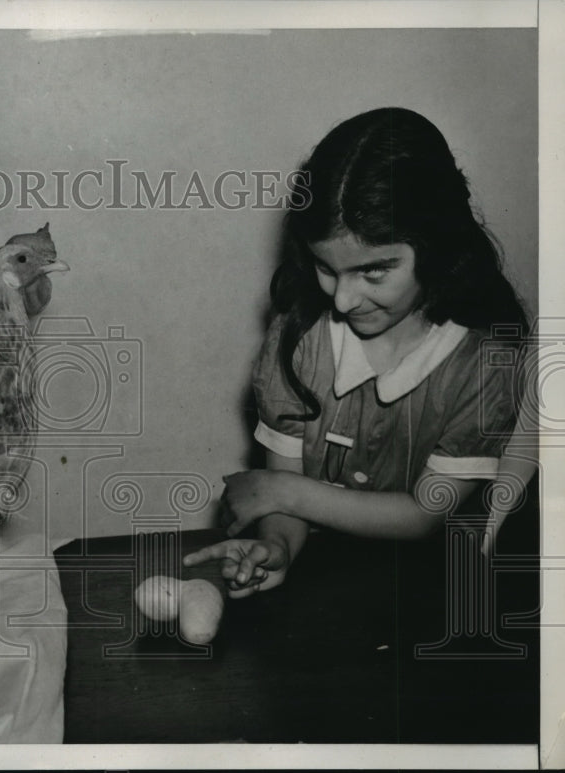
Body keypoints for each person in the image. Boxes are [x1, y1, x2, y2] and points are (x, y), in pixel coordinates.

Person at [184, 107, 529, 597]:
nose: (342, 300)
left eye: (373, 271)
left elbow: (425, 515)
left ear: (438, 247)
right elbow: (284, 502)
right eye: (327, 267)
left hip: (439, 594)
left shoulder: (483, 364)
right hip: (326, 586)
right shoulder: (297, 339)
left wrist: (281, 491)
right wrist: (278, 545)